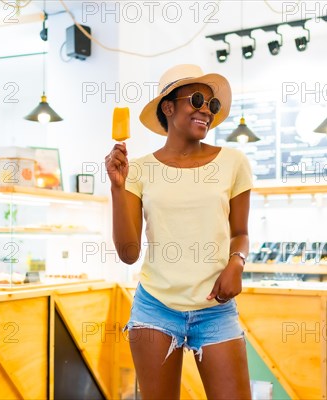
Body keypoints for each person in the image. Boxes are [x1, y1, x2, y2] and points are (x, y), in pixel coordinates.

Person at [105, 64, 253, 399]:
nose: (206, 110)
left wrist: (237, 262)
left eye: (212, 105)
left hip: (215, 307)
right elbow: (128, 254)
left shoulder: (233, 162)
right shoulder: (138, 169)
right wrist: (117, 188)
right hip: (155, 307)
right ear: (168, 107)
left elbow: (240, 232)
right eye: (197, 100)